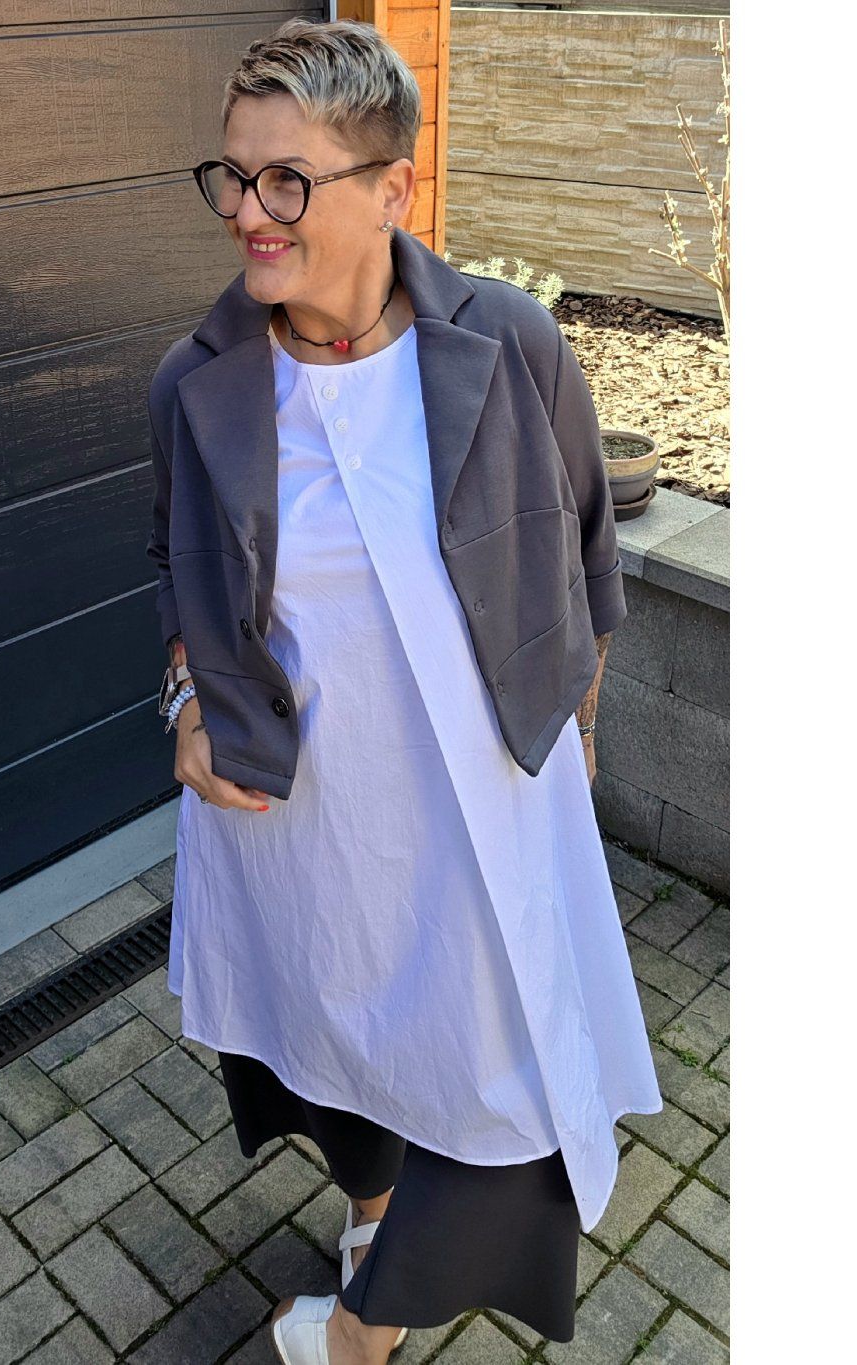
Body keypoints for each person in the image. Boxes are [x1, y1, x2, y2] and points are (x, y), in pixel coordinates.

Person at [146, 19, 662, 1364]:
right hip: (301, 819)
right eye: (234, 175)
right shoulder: (198, 383)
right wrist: (186, 708)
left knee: (507, 1087)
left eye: (288, 180)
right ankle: (373, 1214)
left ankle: (360, 1333)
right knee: (333, 1046)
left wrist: (578, 734)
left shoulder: (509, 343)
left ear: (394, 189)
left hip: (482, 811)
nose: (249, 213)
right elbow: (181, 578)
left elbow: (586, 551)